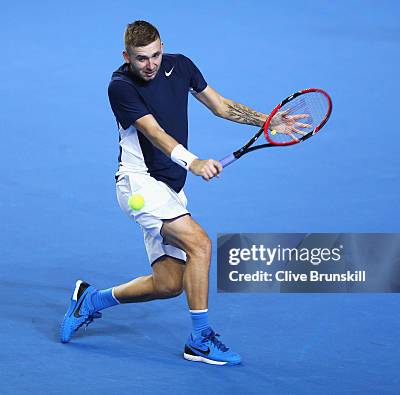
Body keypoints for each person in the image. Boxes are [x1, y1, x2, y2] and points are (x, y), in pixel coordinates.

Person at [60, 20, 308, 366]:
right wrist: (193, 162)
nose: (150, 64)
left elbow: (220, 105)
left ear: (163, 47)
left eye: (156, 54)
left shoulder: (182, 66)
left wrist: (269, 122)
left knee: (168, 284)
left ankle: (91, 301)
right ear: (126, 56)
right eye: (141, 58)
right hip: (139, 184)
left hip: (170, 189)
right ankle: (200, 339)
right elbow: (154, 132)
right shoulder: (119, 86)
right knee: (201, 244)